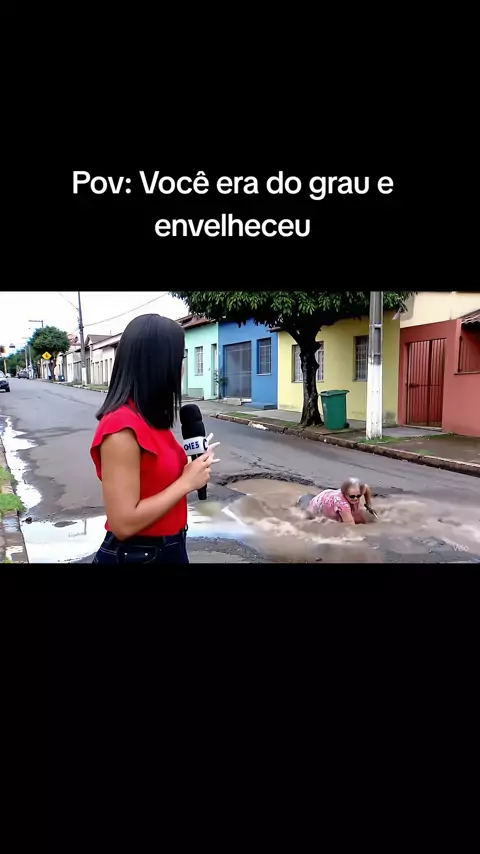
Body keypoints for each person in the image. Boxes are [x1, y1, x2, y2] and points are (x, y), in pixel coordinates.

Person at [90, 314, 218, 565]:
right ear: (159, 365)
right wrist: (185, 482)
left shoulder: (149, 419)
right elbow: (123, 523)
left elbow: (154, 478)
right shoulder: (121, 428)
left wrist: (193, 467)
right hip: (140, 555)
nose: (181, 368)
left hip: (170, 547)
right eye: (180, 359)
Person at [298, 478, 376, 525]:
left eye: (358, 496)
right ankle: (302, 498)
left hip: (328, 496)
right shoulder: (342, 504)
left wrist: (369, 505)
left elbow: (366, 488)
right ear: (345, 494)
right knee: (306, 511)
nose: (355, 498)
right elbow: (351, 526)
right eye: (352, 496)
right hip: (317, 504)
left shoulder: (360, 489)